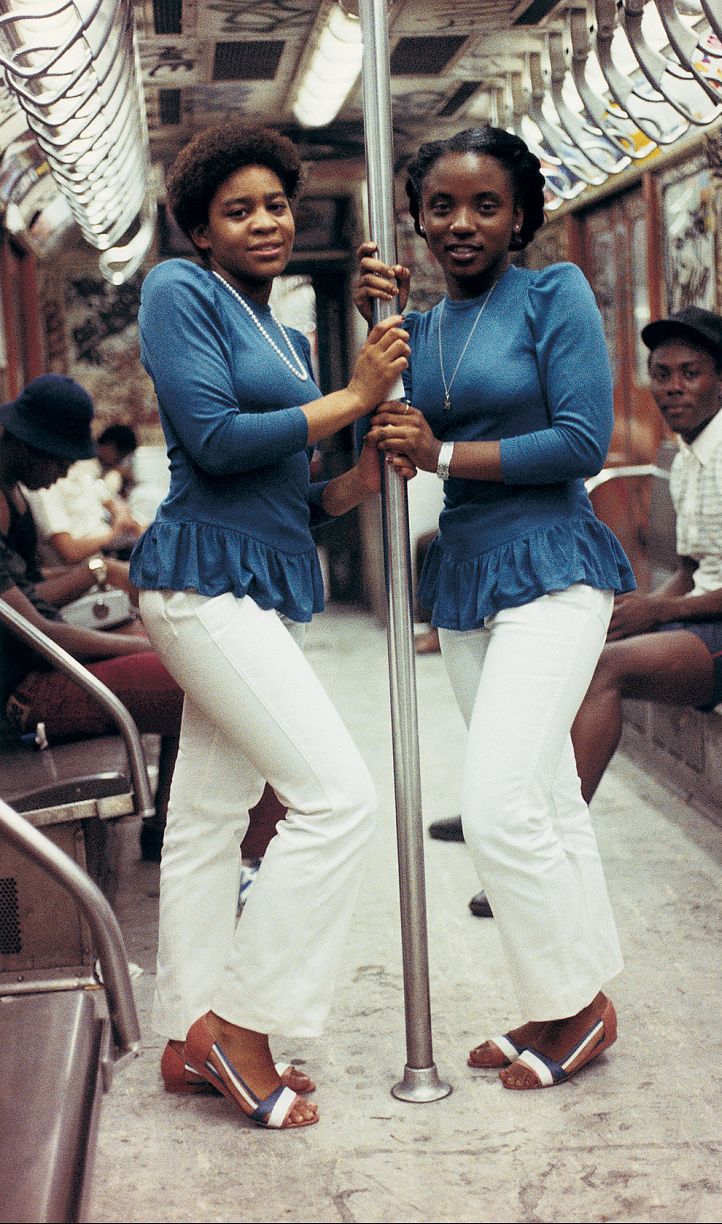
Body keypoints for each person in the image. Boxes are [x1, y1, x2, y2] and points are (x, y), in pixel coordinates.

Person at [128, 121, 410, 1131]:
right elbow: (210, 438)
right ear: (201, 230)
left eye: (277, 204)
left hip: (254, 580)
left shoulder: (287, 337)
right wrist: (353, 393)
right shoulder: (179, 293)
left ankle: (184, 1032)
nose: (265, 221)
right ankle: (243, 1031)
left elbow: (295, 499)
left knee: (206, 821)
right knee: (335, 798)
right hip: (198, 581)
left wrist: (365, 471)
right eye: (239, 209)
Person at [356, 125, 634, 1092]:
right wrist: (373, 329)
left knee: (501, 807)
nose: (461, 223)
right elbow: (379, 426)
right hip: (469, 573)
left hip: (554, 564)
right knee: (550, 803)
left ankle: (574, 1010)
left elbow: (580, 440)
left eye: (484, 205)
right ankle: (573, 997)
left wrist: (442, 457)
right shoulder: (422, 328)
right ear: (417, 220)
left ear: (520, 215)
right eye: (440, 206)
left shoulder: (552, 293)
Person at [570, 306, 722, 806]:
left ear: (721, 382)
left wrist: (659, 611)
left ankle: (546, 841)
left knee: (601, 670)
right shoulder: (686, 458)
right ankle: (511, 816)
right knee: (566, 653)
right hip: (710, 624)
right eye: (661, 374)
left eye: (689, 373)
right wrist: (635, 612)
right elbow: (691, 571)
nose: (672, 387)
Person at [0, 374, 182, 836]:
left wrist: (102, 574)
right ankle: (238, 849)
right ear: (29, 444)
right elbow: (38, 629)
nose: (64, 474)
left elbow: (30, 586)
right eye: (61, 460)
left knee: (190, 657)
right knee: (195, 678)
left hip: (41, 663)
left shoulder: (13, 492)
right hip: (21, 692)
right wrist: (143, 651)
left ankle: (167, 828)